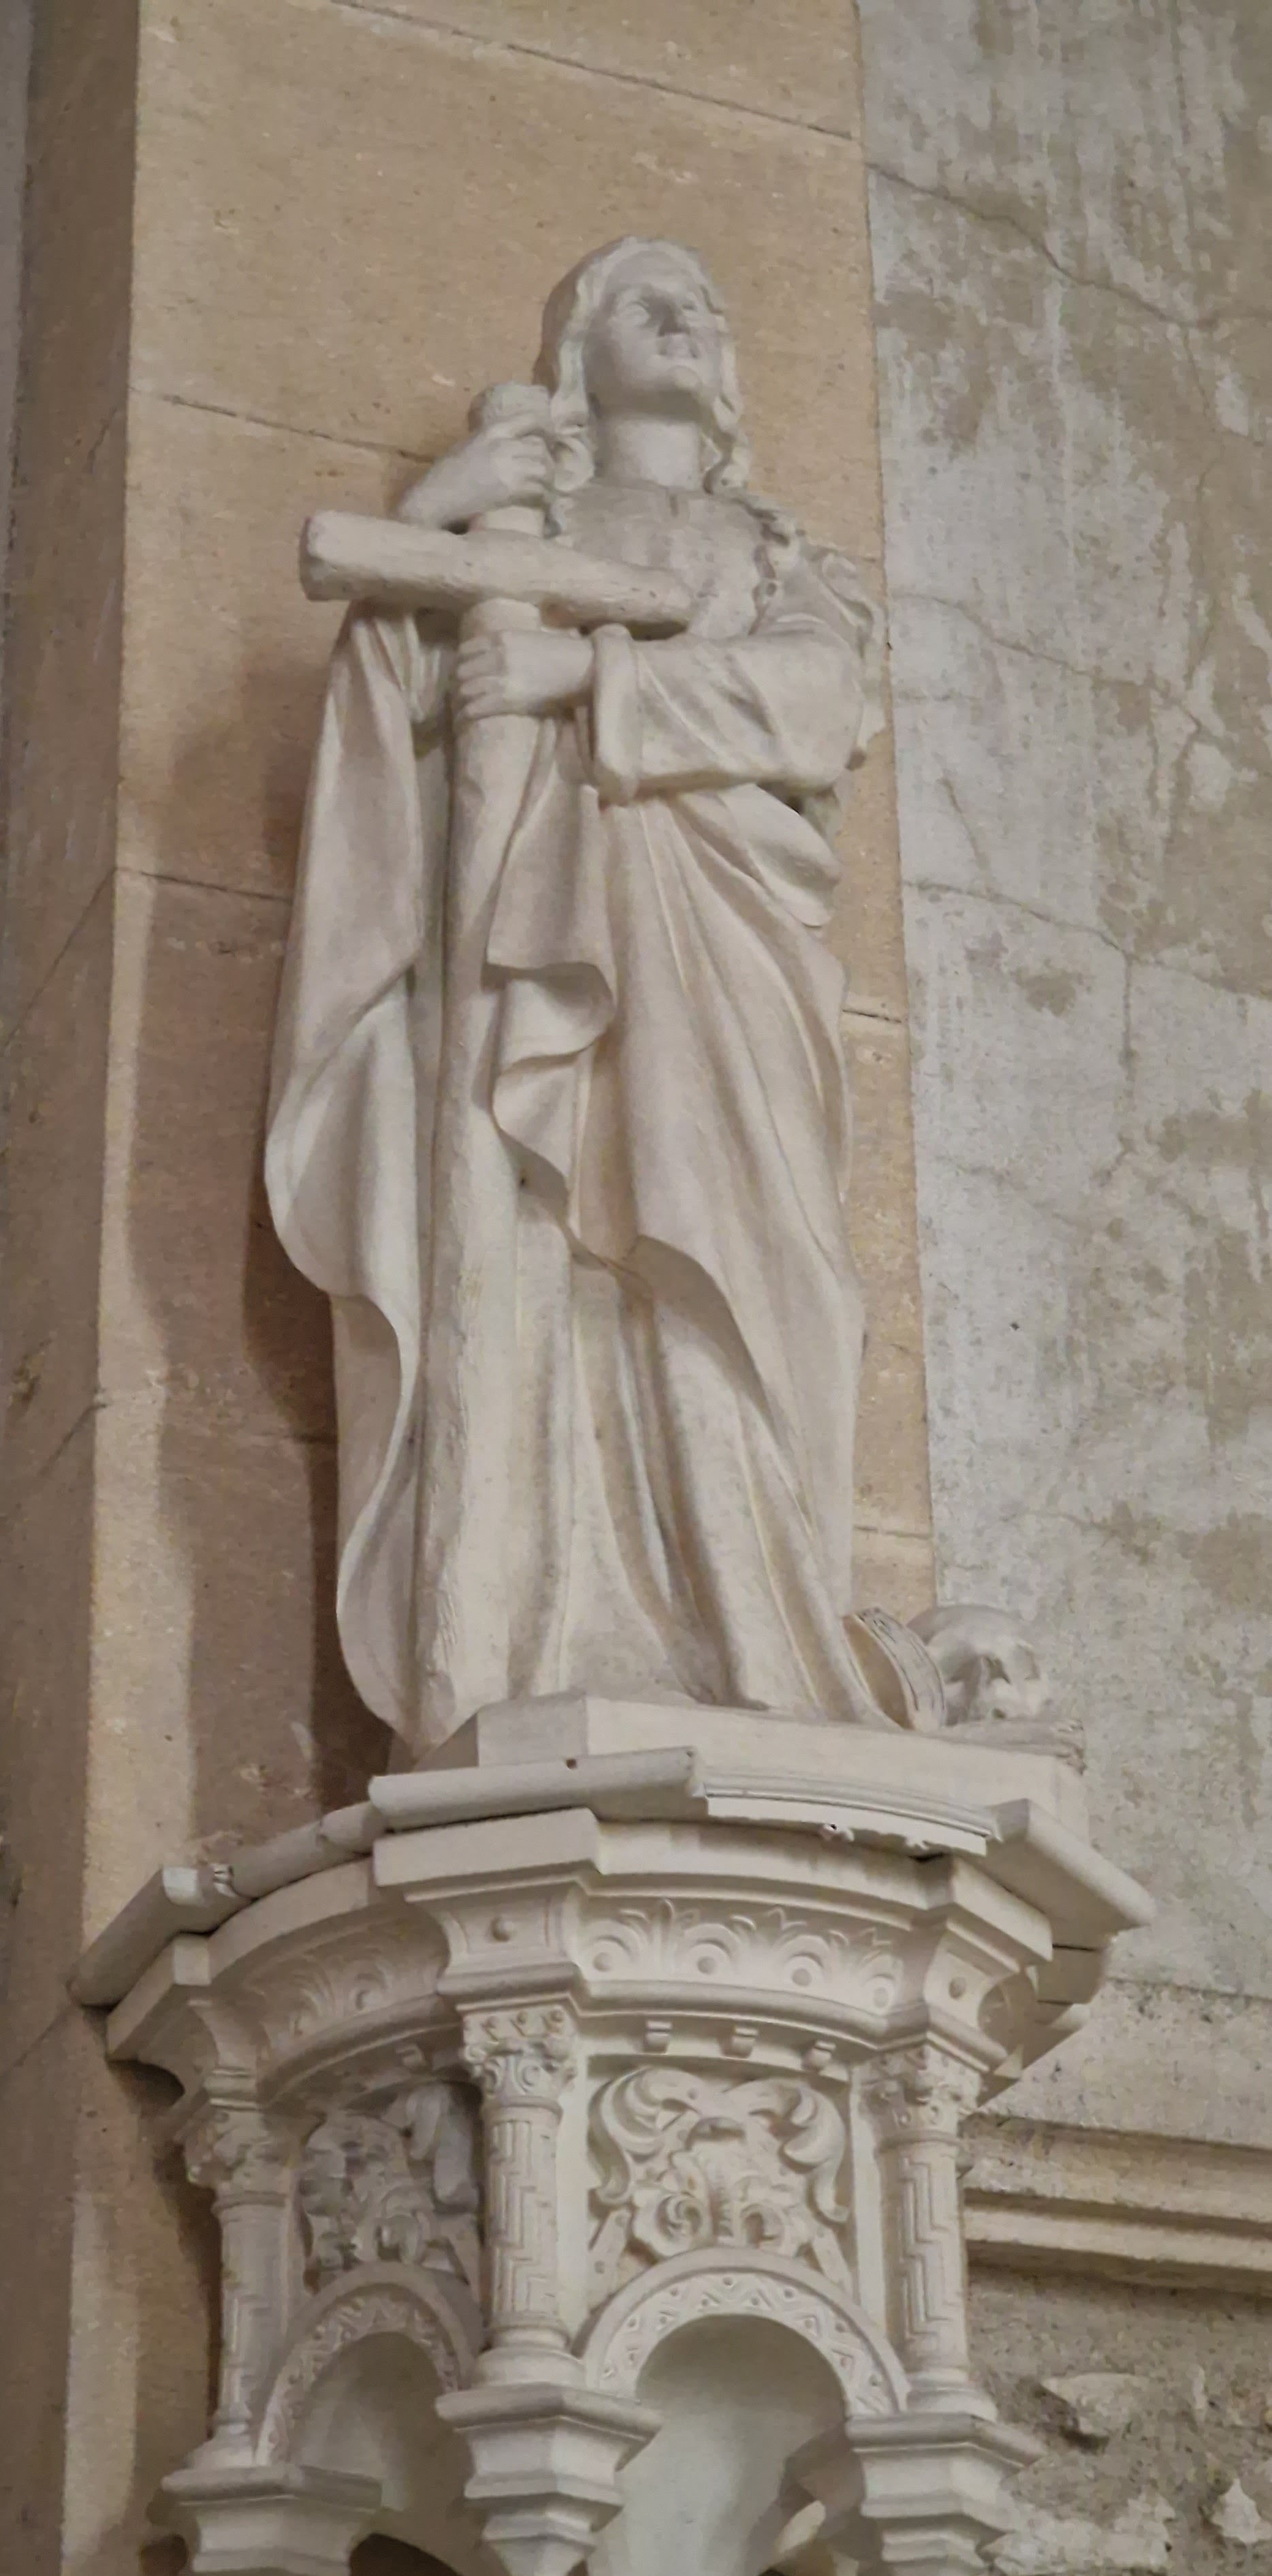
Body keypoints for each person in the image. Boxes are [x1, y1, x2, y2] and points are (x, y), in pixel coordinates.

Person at [266, 236, 889, 1761]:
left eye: (705, 302)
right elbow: (395, 720)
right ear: (575, 356)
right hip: (525, 938)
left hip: (723, 944)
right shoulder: (519, 522)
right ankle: (517, 1633)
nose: (686, 313)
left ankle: (752, 1635)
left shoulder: (781, 555)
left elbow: (817, 703)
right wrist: (445, 509)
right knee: (531, 1249)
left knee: (728, 1250)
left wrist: (588, 682)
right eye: (638, 297)